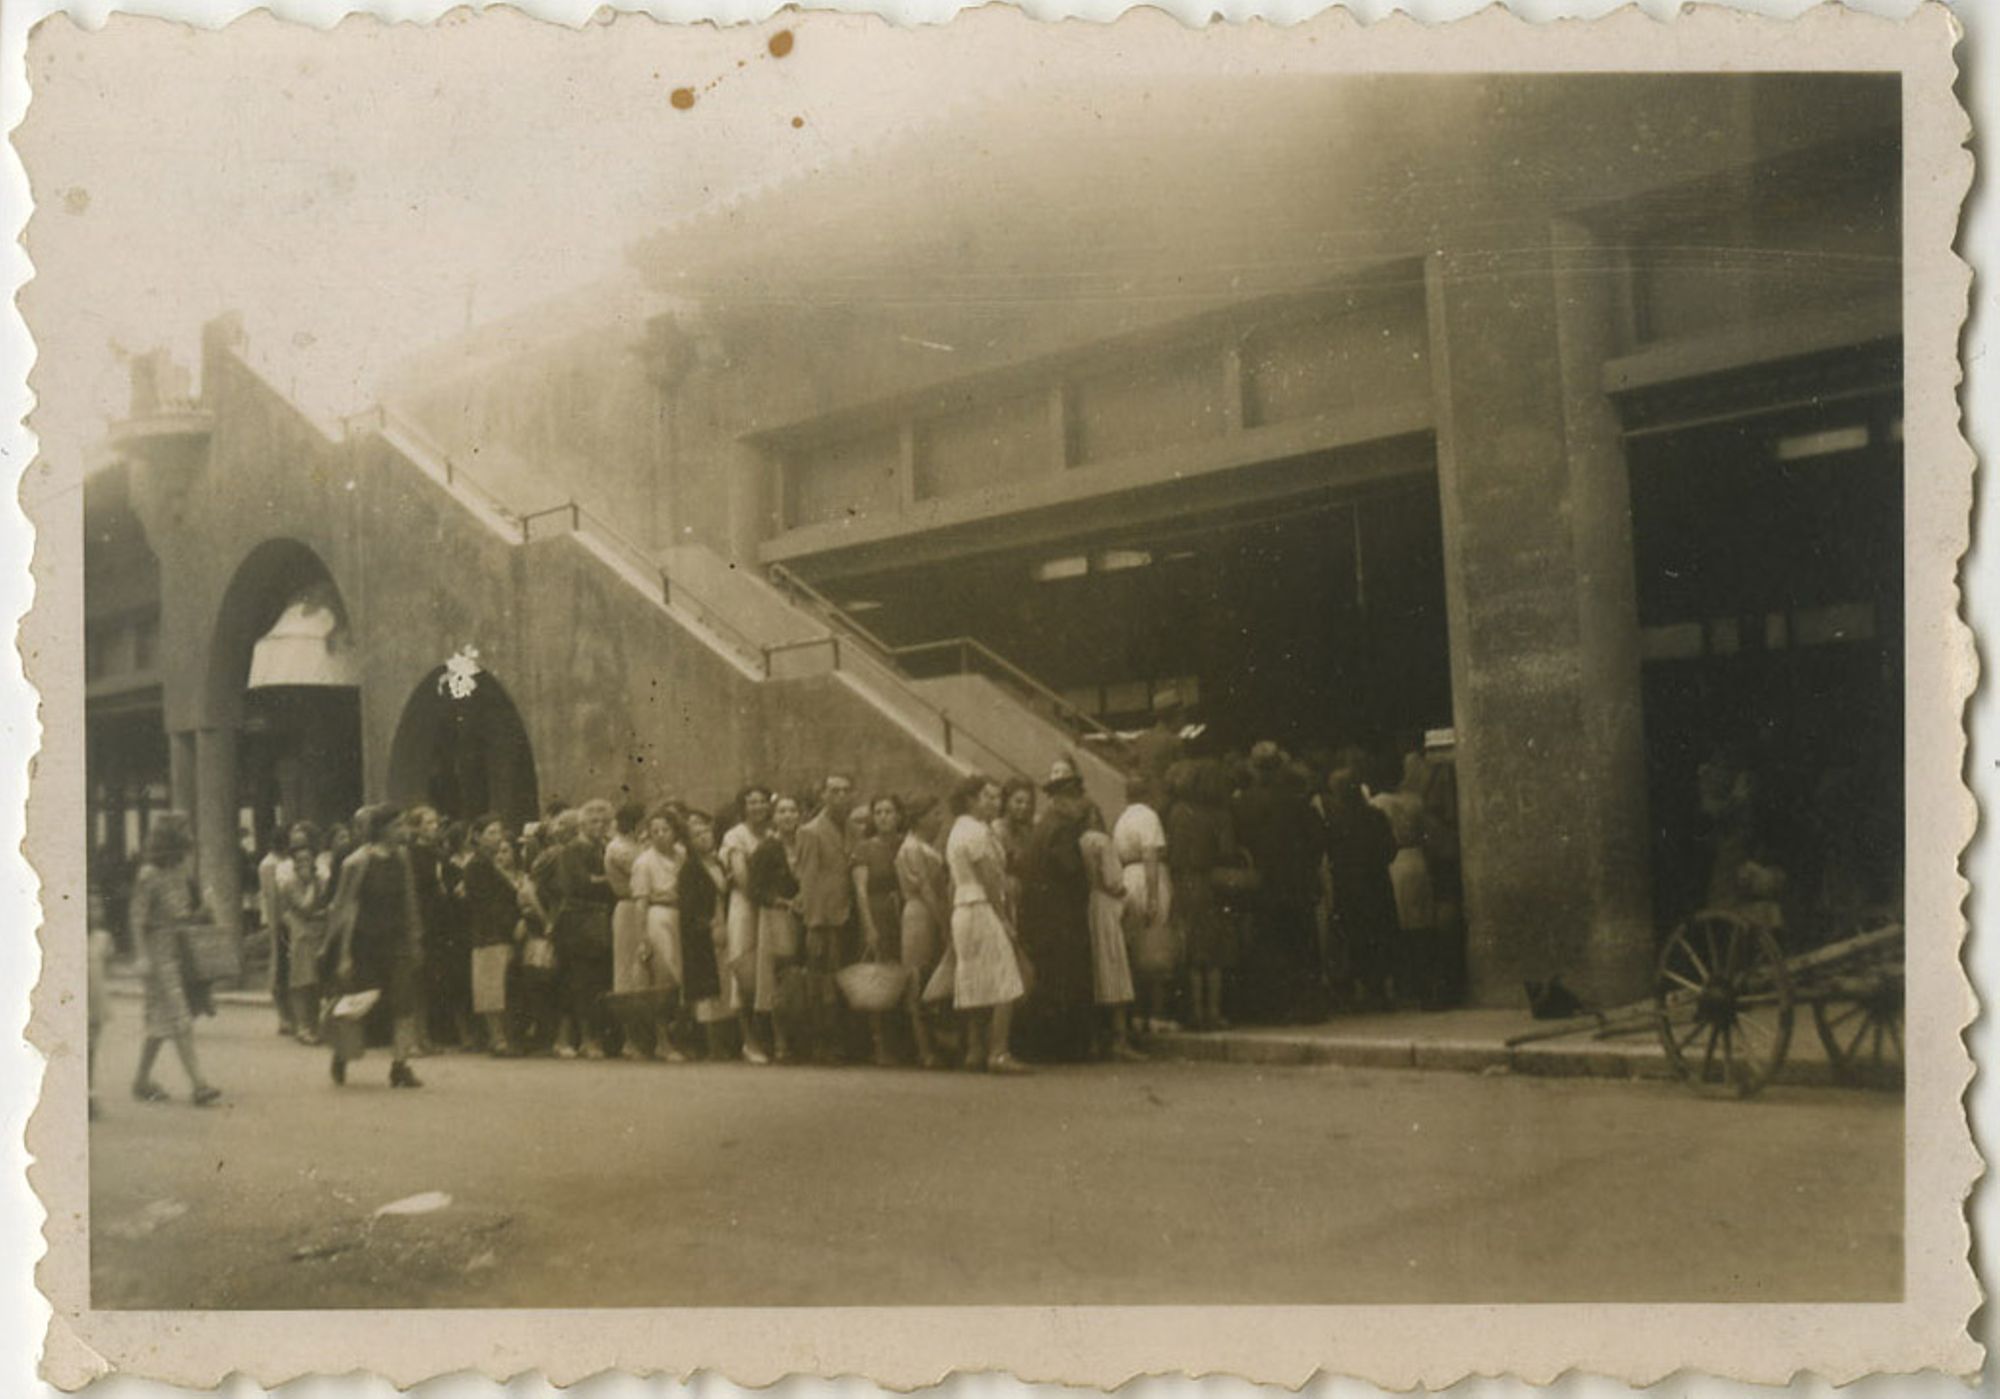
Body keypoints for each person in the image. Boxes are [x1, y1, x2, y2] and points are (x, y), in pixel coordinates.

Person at [326, 804, 426, 1088]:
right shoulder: (357, 862)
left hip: (397, 941)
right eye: (397, 826)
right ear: (381, 830)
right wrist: (344, 954)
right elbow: (346, 909)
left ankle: (400, 1065)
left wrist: (415, 938)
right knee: (359, 1005)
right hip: (364, 943)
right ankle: (341, 1055)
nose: (403, 831)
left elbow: (410, 900)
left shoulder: (402, 858)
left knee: (404, 1001)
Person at [127, 813, 221, 1107]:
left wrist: (202, 913)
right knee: (178, 1016)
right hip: (158, 953)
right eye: (183, 830)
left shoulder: (180, 871)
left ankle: (141, 1079)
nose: (189, 835)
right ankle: (199, 1084)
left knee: (162, 1020)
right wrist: (142, 955)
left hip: (178, 950)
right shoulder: (149, 875)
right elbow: (137, 918)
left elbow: (181, 915)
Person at [1234, 740, 1329, 1023]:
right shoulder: (1297, 799)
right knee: (1303, 943)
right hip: (1297, 883)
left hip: (1263, 884)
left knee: (1269, 945)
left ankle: (1272, 1008)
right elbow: (1318, 840)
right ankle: (1308, 1006)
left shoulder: (1244, 803)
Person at [945, 774, 1028, 1073]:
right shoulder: (977, 832)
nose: (995, 802)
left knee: (975, 980)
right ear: (971, 800)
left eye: (996, 797)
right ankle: (999, 1052)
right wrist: (1004, 918)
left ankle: (975, 1050)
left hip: (962, 908)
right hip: (980, 906)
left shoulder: (957, 830)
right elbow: (991, 880)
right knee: (1005, 978)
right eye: (987, 797)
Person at [1016, 760, 1098, 1063]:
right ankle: (1064, 1049)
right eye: (1079, 799)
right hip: (1060, 917)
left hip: (1040, 915)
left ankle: (1046, 1047)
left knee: (1047, 980)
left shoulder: (1044, 824)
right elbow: (1070, 870)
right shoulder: (1063, 829)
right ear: (1069, 799)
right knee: (1065, 979)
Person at [1167, 758, 1244, 1033]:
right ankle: (1214, 1011)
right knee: (1214, 954)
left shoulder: (1177, 811)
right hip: (1211, 885)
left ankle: (1195, 1012)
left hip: (1184, 884)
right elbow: (1227, 852)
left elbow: (1173, 853)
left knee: (1191, 952)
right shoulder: (1221, 814)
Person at [1319, 749, 1399, 1009]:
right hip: (1377, 883)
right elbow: (1390, 849)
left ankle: (1361, 990)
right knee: (1380, 935)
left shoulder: (1335, 821)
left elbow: (1329, 852)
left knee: (1355, 937)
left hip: (1348, 885)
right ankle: (1382, 990)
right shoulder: (1376, 816)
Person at [794, 773, 858, 1064]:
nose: (840, 797)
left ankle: (841, 1041)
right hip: (824, 919)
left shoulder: (851, 828)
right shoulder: (811, 831)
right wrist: (814, 924)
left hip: (846, 913)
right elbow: (807, 879)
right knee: (823, 982)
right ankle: (822, 1043)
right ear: (823, 796)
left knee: (840, 978)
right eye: (834, 791)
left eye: (846, 791)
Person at [1370, 750, 1439, 1008]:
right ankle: (1425, 984)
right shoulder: (1415, 800)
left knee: (1399, 924)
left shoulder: (1377, 803)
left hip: (1395, 861)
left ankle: (1406, 983)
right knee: (1421, 923)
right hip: (1417, 859)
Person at [551, 798, 618, 1058]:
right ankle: (586, 1039)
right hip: (579, 924)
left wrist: (600, 880)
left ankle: (592, 1037)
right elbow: (580, 883)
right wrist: (610, 881)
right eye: (593, 821)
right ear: (582, 824)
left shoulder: (604, 848)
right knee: (581, 982)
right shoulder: (572, 850)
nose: (599, 826)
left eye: (604, 821)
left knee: (597, 981)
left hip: (600, 922)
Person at [620, 807, 687, 1061]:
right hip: (658, 919)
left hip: (680, 917)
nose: (660, 835)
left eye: (665, 830)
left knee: (681, 978)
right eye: (655, 831)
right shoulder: (644, 862)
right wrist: (642, 937)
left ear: (675, 831)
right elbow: (641, 901)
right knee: (663, 978)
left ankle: (679, 1037)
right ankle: (662, 1041)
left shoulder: (681, 855)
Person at [1113, 774, 1176, 1035]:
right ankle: (1156, 1014)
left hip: (1128, 876)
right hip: (1146, 879)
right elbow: (1150, 855)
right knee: (1155, 945)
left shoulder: (1122, 819)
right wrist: (1152, 897)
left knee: (1135, 949)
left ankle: (1137, 1014)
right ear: (1149, 794)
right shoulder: (1149, 817)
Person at [671, 809, 737, 1061]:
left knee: (724, 983)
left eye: (706, 833)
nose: (703, 839)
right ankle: (711, 1045)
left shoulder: (718, 864)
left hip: (723, 925)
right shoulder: (690, 870)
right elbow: (688, 906)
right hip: (701, 933)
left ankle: (725, 1041)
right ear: (690, 841)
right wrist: (707, 926)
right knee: (707, 991)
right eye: (696, 836)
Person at [850, 793, 907, 1067]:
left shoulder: (905, 843)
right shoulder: (864, 849)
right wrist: (869, 925)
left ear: (899, 815)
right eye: (879, 812)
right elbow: (860, 890)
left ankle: (902, 1042)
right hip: (877, 914)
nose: (884, 817)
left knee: (900, 974)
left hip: (901, 916)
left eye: (889, 812)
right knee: (877, 977)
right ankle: (880, 1045)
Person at [894, 794, 951, 1068]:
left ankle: (933, 1045)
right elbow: (926, 888)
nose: (939, 821)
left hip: (930, 911)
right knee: (918, 978)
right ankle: (924, 1049)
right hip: (920, 914)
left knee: (931, 977)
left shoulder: (925, 846)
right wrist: (942, 922)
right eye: (935, 815)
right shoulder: (912, 847)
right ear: (920, 819)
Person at [407, 805, 469, 1051]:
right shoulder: (412, 854)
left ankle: (425, 1037)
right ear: (417, 827)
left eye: (435, 823)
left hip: (439, 921)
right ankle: (414, 1037)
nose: (434, 827)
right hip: (422, 919)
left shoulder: (438, 853)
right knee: (416, 980)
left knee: (428, 980)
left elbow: (448, 878)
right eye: (428, 823)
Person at [461, 814, 523, 1056]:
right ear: (478, 837)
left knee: (501, 984)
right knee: (491, 985)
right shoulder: (477, 865)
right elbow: (486, 904)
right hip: (490, 932)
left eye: (499, 832)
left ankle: (503, 1037)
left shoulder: (491, 863)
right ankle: (497, 1038)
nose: (497, 838)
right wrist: (511, 922)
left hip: (500, 931)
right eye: (492, 833)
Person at [749, 794, 805, 1062]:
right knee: (775, 977)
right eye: (782, 811)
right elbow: (754, 889)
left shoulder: (806, 843)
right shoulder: (767, 848)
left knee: (798, 975)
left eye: (792, 810)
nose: (788, 816)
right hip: (775, 916)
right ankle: (779, 1041)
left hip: (802, 915)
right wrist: (782, 901)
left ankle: (799, 1039)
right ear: (774, 816)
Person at [719, 786, 773, 1064]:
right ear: (744, 807)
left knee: (767, 970)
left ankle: (768, 1037)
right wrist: (763, 897)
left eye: (763, 802)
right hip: (745, 906)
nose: (758, 807)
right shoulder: (735, 836)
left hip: (768, 908)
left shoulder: (773, 833)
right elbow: (740, 875)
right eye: (752, 803)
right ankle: (748, 1040)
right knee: (742, 969)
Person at [605, 801, 655, 1060]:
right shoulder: (619, 848)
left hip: (638, 907)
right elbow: (640, 869)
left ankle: (642, 1036)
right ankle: (630, 1038)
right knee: (628, 971)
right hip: (628, 908)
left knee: (642, 971)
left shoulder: (635, 845)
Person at [274, 831, 327, 1045]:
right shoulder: (290, 884)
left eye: (308, 858)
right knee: (301, 982)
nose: (304, 863)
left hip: (318, 934)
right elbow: (305, 907)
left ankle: (314, 1025)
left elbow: (327, 907)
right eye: (299, 860)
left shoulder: (322, 879)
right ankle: (302, 1026)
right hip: (300, 935)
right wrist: (313, 885)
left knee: (316, 982)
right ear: (294, 863)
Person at [257, 828, 293, 1037]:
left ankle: (289, 1016)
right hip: (278, 920)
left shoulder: (286, 861)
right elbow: (271, 897)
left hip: (289, 919)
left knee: (286, 969)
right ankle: (283, 1016)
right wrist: (274, 925)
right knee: (279, 967)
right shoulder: (269, 864)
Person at [991, 778, 1036, 920]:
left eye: (1028, 803)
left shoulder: (1026, 833)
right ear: (1007, 801)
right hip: (1001, 895)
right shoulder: (997, 829)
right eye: (1018, 801)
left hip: (1021, 897)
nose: (1024, 807)